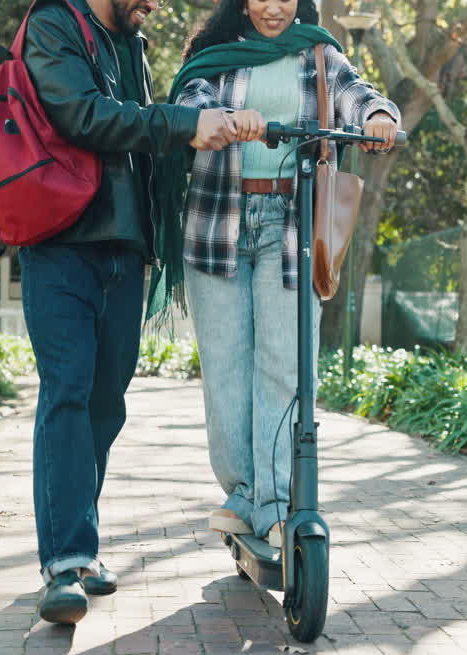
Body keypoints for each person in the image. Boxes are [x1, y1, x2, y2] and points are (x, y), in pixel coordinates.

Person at [20, 0, 238, 624]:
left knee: (105, 402)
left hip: (124, 245)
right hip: (60, 243)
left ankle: (79, 546)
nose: (156, 4)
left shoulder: (132, 44)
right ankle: (63, 563)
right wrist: (184, 123)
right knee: (67, 391)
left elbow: (143, 143)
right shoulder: (53, 24)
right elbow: (83, 116)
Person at [157, 0, 399, 547]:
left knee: (283, 367)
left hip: (290, 226)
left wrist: (378, 117)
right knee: (226, 369)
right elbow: (190, 102)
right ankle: (242, 493)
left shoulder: (319, 54)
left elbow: (356, 93)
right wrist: (223, 120)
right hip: (217, 223)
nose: (274, 7)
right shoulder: (216, 55)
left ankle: (273, 503)